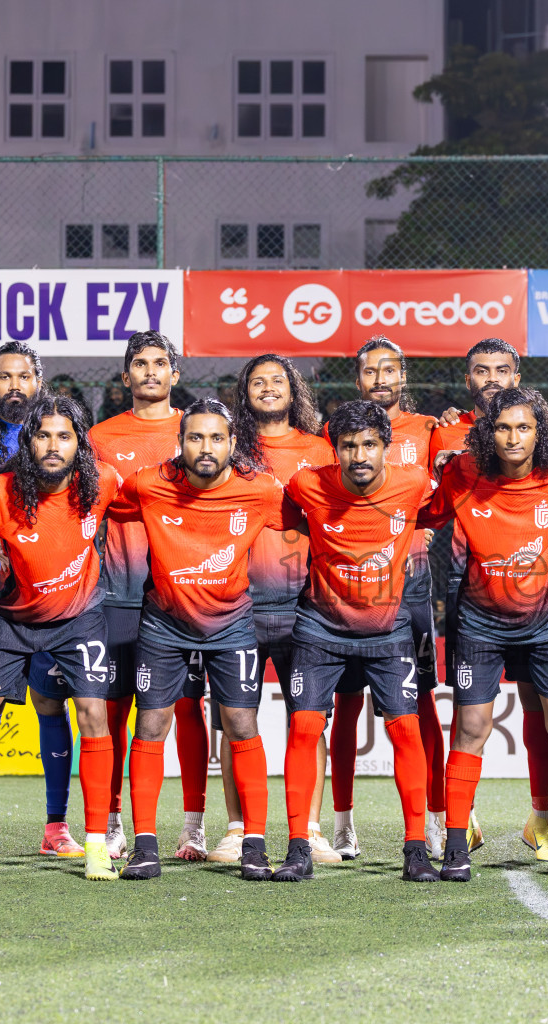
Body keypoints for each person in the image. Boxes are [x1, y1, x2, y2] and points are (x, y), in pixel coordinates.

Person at [419, 387, 548, 882]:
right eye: (502, 427)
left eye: (524, 427)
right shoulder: (464, 475)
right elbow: (428, 513)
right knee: (471, 729)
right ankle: (456, 848)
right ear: (487, 433)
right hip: (480, 624)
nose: (513, 437)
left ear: (540, 433)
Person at [0, 395, 120, 881]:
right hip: (12, 619)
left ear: (79, 442)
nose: (52, 445)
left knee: (93, 712)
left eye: (64, 436)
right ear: (28, 441)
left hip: (79, 618)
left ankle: (97, 845)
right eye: (42, 435)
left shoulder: (102, 484)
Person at [112, 399, 294, 881]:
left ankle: (253, 842)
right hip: (163, 624)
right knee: (151, 723)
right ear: (181, 442)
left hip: (231, 622)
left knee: (240, 721)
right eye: (196, 437)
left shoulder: (258, 491)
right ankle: (145, 845)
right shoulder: (149, 485)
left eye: (216, 438)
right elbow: (93, 499)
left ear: (233, 444)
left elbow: (313, 512)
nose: (206, 447)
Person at [271, 400, 438, 883]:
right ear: (334, 449)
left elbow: (452, 504)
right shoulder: (308, 485)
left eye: (369, 444)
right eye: (348, 446)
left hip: (388, 630)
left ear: (387, 446)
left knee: (406, 731)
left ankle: (416, 850)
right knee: (304, 728)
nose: (359, 454)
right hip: (320, 628)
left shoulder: (413, 485)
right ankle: (299, 846)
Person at [0, 342, 76, 857]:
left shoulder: (57, 434)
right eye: (5, 376)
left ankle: (56, 827)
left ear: (39, 382)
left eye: (25, 376)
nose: (16, 386)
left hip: (50, 598)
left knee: (51, 702)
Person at [330, 337, 445, 859]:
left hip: (411, 588)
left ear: (404, 377)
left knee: (419, 707)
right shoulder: (339, 435)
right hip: (346, 592)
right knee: (346, 706)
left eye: (389, 369)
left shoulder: (429, 430)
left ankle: (438, 821)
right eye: (370, 371)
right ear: (358, 380)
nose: (380, 379)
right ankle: (343, 821)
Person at [233, 352, 339, 865]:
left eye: (277, 380)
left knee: (309, 720)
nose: (268, 388)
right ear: (245, 391)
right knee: (238, 720)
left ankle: (311, 828)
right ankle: (238, 829)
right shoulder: (231, 448)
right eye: (258, 381)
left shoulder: (319, 449)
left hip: (306, 607)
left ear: (293, 390)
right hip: (238, 605)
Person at [87, 331, 185, 861]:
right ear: (125, 377)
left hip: (185, 596)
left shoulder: (199, 432)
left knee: (179, 711)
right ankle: (112, 819)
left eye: (160, 363)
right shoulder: (100, 437)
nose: (150, 372)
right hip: (117, 594)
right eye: (140, 364)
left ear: (175, 374)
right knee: (112, 709)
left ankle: (194, 825)